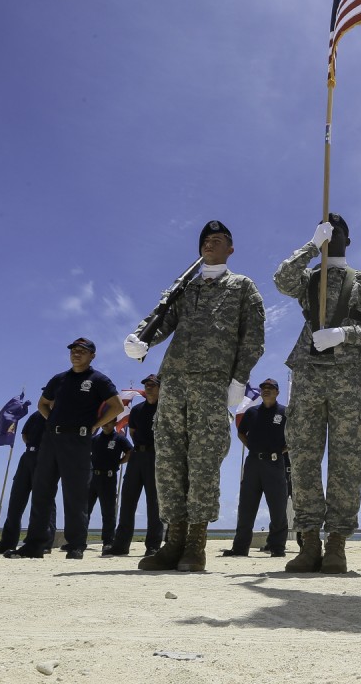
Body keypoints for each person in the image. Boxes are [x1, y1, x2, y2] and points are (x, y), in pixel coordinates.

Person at [125, 220, 266, 572]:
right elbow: (162, 320)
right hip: (173, 381)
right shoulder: (185, 289)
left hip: (211, 382)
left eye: (218, 239)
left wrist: (238, 380)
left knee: (203, 461)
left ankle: (195, 544)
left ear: (230, 249)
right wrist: (142, 342)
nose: (210, 242)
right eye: (205, 239)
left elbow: (253, 337)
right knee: (169, 461)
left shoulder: (242, 286)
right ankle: (173, 542)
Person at [273, 215, 361, 573]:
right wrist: (310, 246)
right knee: (305, 460)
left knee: (345, 463)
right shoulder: (309, 279)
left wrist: (344, 334)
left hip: (346, 377)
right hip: (308, 375)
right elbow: (282, 281)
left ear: (348, 240)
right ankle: (309, 541)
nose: (331, 235)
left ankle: (336, 542)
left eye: (337, 230)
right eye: (325, 230)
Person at [8, 338, 124, 560]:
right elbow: (43, 403)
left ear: (92, 356)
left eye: (82, 351)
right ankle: (34, 544)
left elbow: (116, 405)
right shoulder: (59, 379)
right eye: (74, 351)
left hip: (78, 441)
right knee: (42, 490)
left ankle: (75, 545)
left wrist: (95, 426)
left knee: (76, 494)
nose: (76, 354)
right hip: (52, 440)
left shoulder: (98, 379)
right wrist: (52, 421)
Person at [223, 378, 291, 558]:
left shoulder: (285, 412)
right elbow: (240, 432)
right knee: (246, 506)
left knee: (277, 507)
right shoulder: (252, 412)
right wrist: (252, 448)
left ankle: (277, 547)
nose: (266, 390)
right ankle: (240, 548)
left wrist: (279, 451)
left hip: (275, 464)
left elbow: (293, 437)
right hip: (253, 463)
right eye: (264, 388)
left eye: (270, 388)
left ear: (277, 392)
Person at [107, 374, 163, 557]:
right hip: (137, 457)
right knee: (128, 501)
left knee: (154, 503)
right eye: (147, 385)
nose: (149, 388)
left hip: (156, 457)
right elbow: (132, 431)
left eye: (152, 385)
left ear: (160, 388)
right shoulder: (137, 410)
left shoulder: (165, 409)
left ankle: (153, 545)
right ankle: (121, 545)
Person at [0, 409, 57, 554]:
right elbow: (24, 434)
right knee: (16, 501)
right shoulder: (37, 415)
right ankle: (7, 543)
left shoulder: (61, 415)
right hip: (28, 457)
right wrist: (31, 447)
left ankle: (44, 544)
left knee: (45, 502)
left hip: (46, 459)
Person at [87, 421, 132, 552]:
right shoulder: (95, 439)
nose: (105, 424)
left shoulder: (119, 439)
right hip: (93, 477)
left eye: (108, 422)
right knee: (85, 509)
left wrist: (118, 462)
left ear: (114, 423)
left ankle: (108, 541)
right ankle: (79, 540)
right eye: (103, 422)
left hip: (108, 478)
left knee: (108, 511)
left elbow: (130, 452)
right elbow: (85, 452)